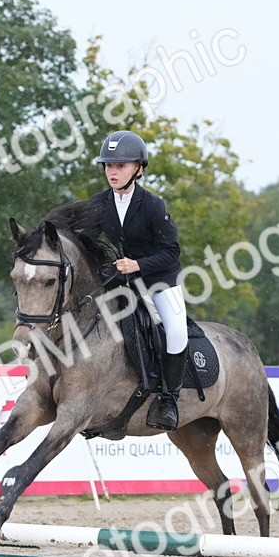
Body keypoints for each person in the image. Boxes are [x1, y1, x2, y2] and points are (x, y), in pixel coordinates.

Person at [93, 129, 187, 431]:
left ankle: (169, 399)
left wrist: (138, 264)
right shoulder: (98, 203)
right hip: (119, 281)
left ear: (139, 169)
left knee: (175, 330)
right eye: (109, 166)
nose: (113, 171)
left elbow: (172, 251)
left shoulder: (152, 205)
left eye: (120, 165)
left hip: (158, 279)